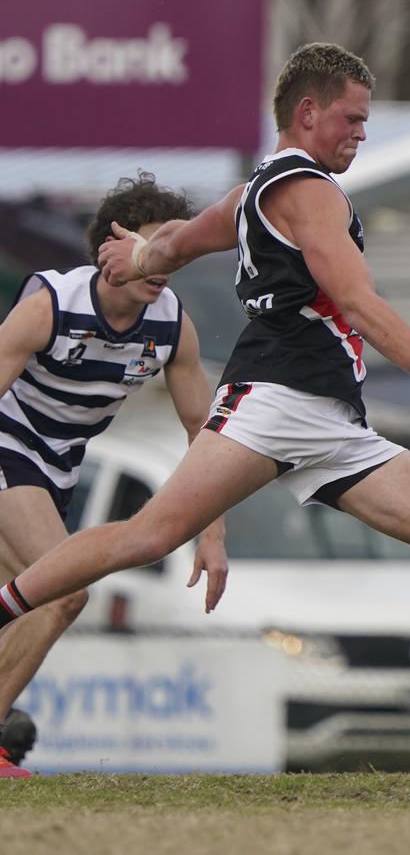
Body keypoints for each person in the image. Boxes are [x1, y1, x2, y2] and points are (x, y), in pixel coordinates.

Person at [1, 43, 410, 771]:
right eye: (352, 117)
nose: (361, 133)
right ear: (307, 113)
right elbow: (358, 300)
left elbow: (181, 242)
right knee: (149, 535)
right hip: (276, 397)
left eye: (367, 121)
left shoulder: (251, 194)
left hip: (333, 418)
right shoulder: (307, 189)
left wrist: (138, 260)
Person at [0, 172, 227, 778]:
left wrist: (213, 533)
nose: (165, 262)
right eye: (154, 246)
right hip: (9, 447)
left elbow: (207, 438)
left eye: (173, 249)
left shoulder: (172, 324)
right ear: (111, 246)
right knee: (62, 592)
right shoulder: (51, 303)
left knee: (22, 607)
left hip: (60, 468)